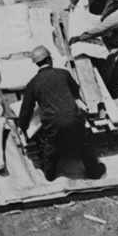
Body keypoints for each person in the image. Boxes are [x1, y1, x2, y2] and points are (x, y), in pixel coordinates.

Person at [18, 46, 106, 181]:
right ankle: (94, 172)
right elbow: (76, 91)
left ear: (37, 64)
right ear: (49, 59)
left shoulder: (33, 83)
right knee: (84, 143)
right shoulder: (63, 73)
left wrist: (21, 126)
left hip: (53, 123)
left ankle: (49, 175)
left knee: (51, 147)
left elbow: (26, 109)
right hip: (74, 118)